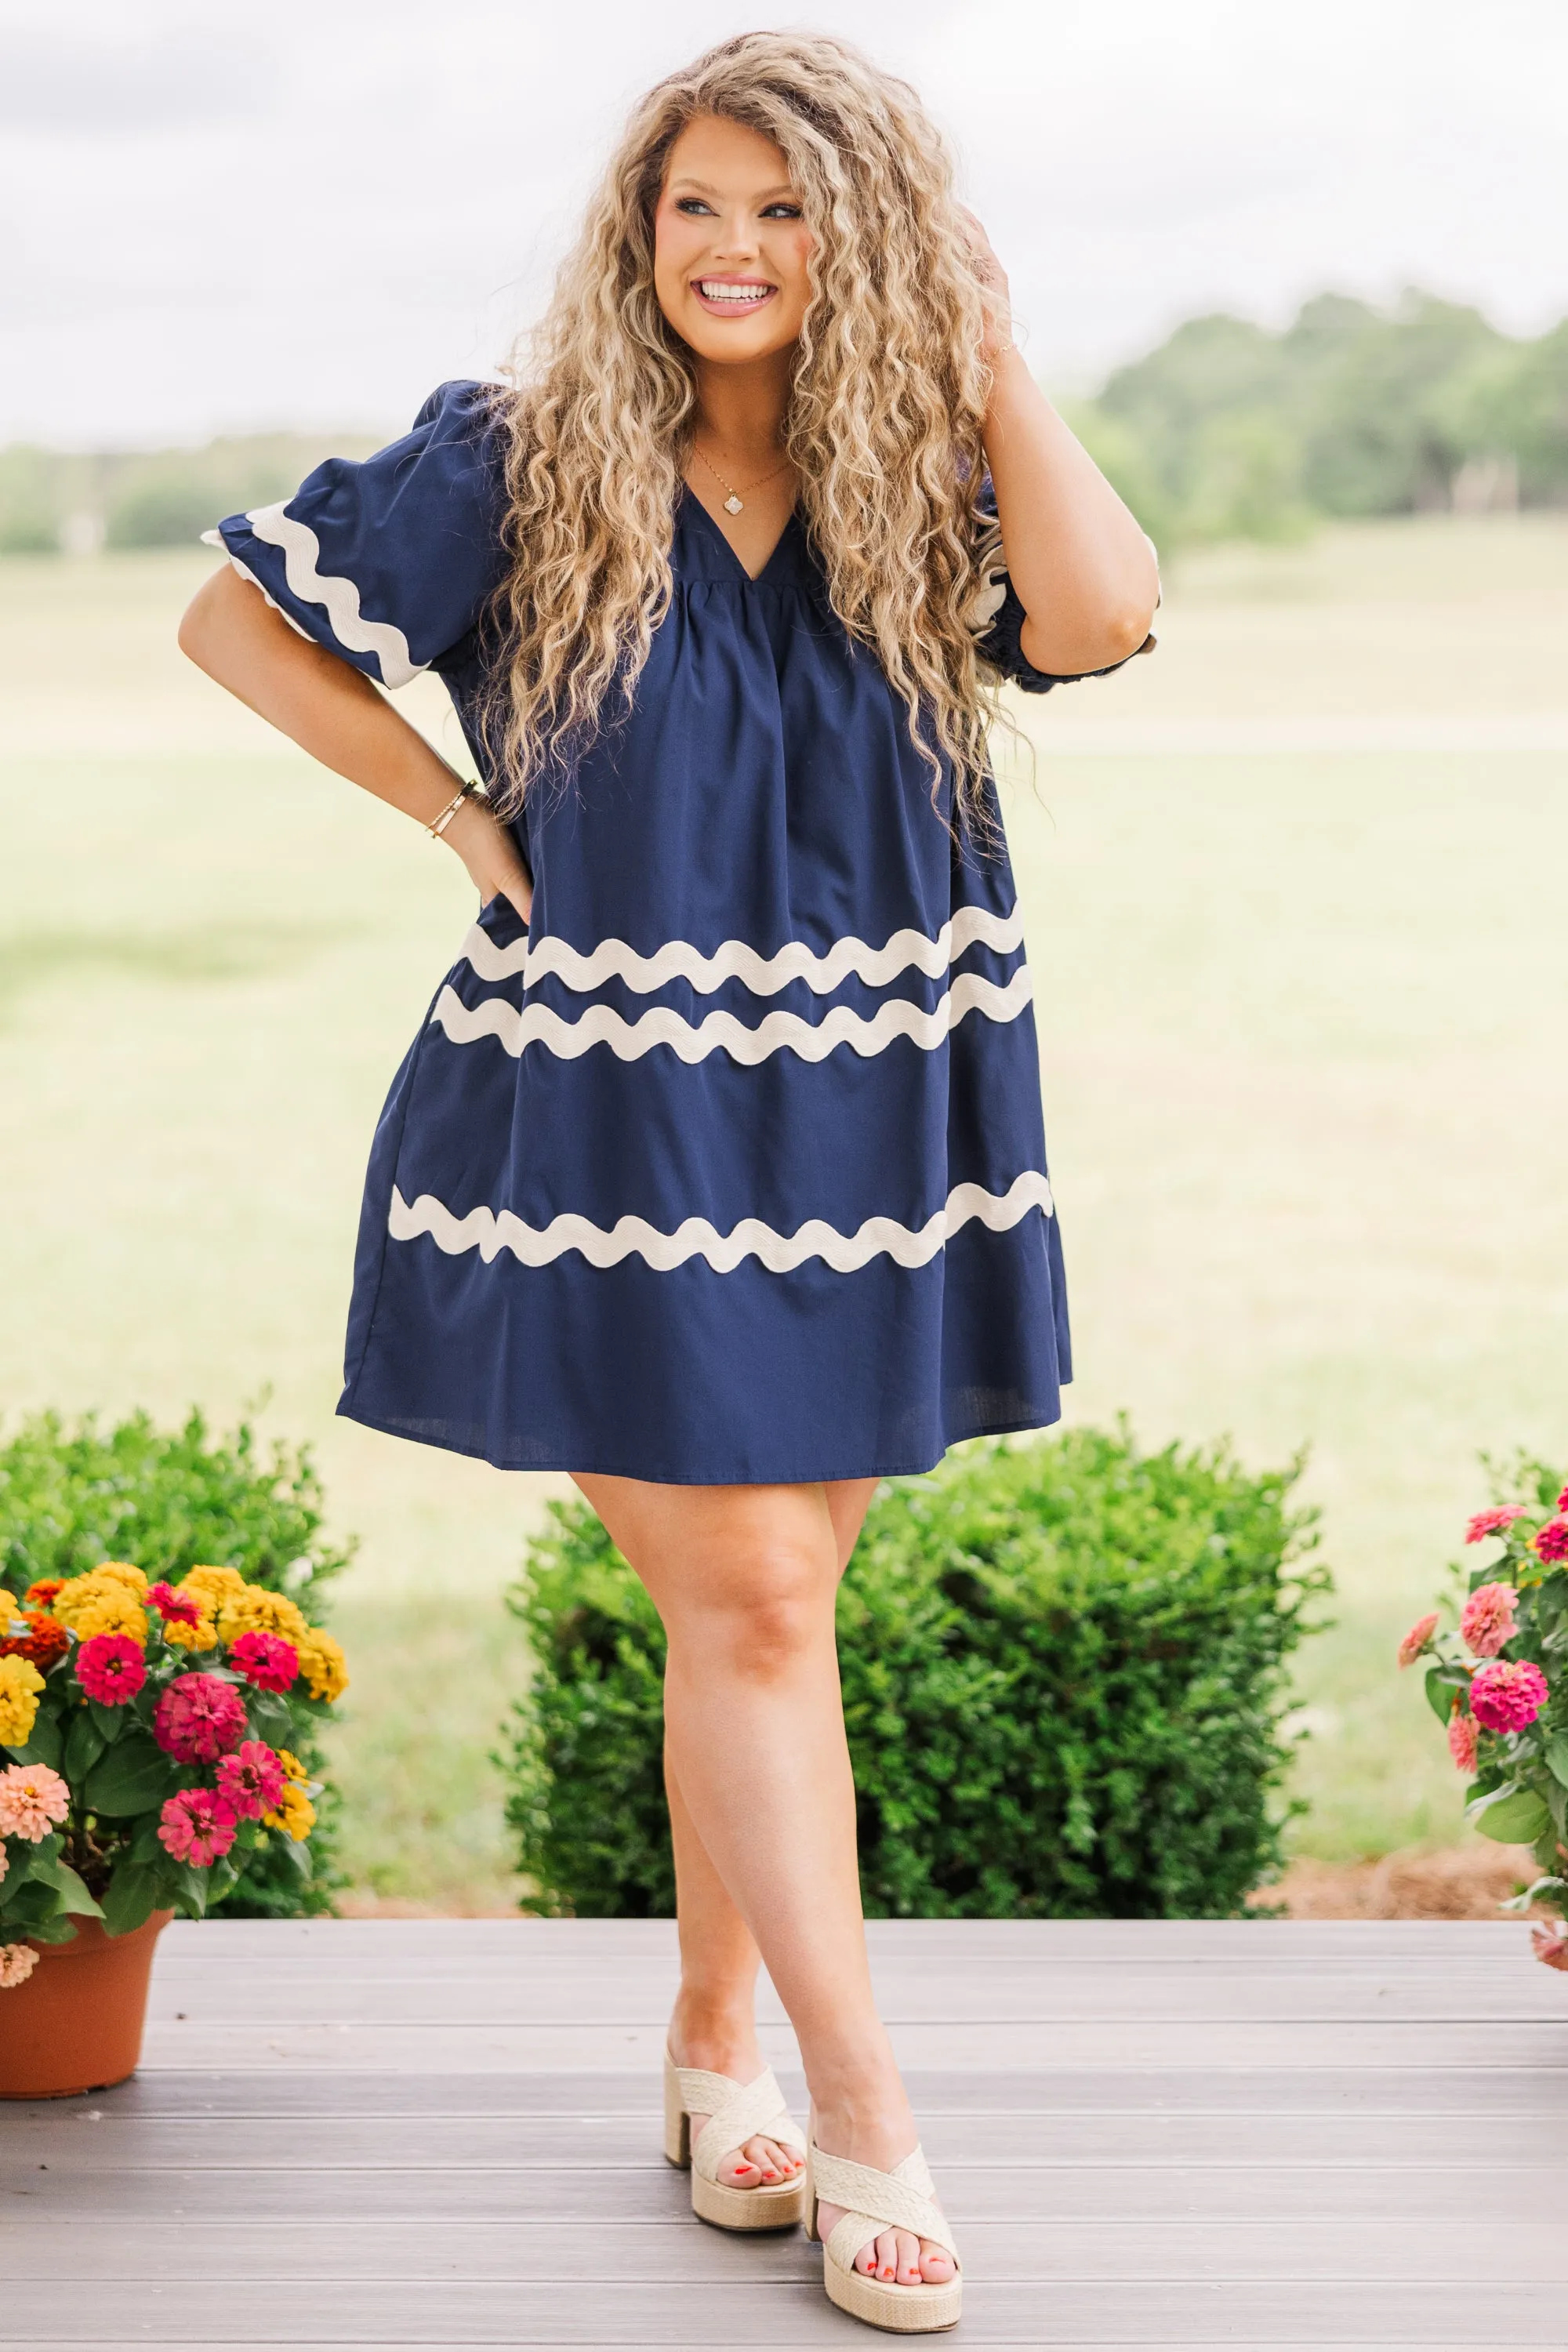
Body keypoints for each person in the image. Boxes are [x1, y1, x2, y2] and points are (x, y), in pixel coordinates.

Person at [179, 31, 1158, 2333]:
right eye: (697, 203)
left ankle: (714, 2042)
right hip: (609, 1126)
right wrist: (450, 808)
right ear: (640, 229)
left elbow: (1104, 613)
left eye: (789, 209)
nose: (733, 248)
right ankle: (867, 2117)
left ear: (871, 239)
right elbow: (239, 624)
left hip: (874, 1109)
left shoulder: (919, 476)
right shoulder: (525, 465)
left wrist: (994, 354)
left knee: (767, 1604)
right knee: (755, 1608)